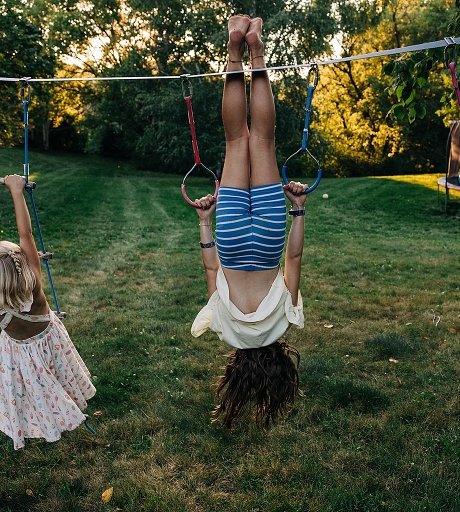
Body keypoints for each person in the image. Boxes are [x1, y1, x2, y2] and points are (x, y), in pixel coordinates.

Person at [191, 15, 308, 429]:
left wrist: (297, 210)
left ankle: (256, 49)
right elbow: (211, 267)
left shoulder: (285, 322)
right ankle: (234, 47)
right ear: (237, 365)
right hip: (233, 242)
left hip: (271, 236)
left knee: (260, 139)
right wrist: (206, 222)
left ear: (279, 359)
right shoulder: (224, 331)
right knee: (235, 139)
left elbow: (292, 260)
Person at [0, 173, 95, 449]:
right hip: (49, 342)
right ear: (21, 265)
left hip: (18, 351)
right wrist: (16, 191)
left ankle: (40, 420)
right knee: (56, 376)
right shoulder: (33, 284)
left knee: (33, 387)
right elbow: (26, 234)